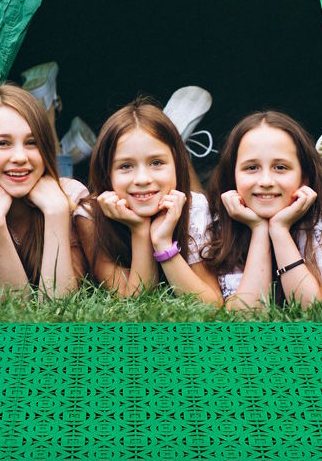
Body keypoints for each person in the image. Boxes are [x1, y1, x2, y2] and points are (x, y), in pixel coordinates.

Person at [0, 84, 88, 298]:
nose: (20, 156)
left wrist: (57, 212)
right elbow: (15, 307)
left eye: (32, 142)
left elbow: (59, 303)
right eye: (2, 143)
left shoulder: (70, 196)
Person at [76, 98, 222, 305]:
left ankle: (179, 145)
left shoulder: (196, 208)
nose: (142, 179)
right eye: (126, 166)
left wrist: (163, 243)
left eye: (156, 162)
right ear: (106, 173)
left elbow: (211, 304)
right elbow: (134, 299)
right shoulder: (89, 216)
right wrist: (140, 230)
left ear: (176, 165)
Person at [202, 111, 322, 309]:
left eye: (280, 167)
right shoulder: (222, 220)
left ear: (304, 178)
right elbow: (247, 315)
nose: (265, 181)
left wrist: (279, 229)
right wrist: (258, 229)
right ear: (233, 176)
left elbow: (315, 310)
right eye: (251, 167)